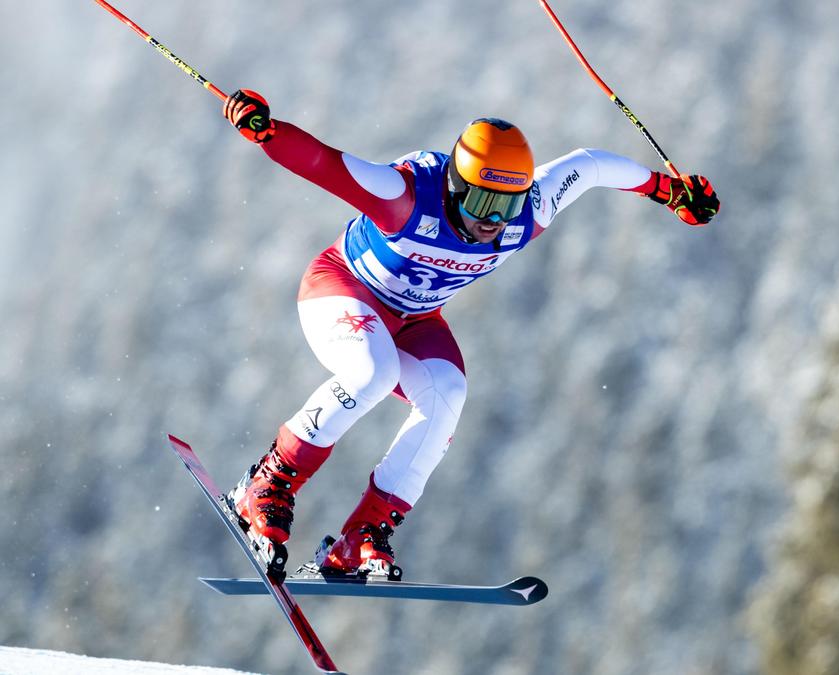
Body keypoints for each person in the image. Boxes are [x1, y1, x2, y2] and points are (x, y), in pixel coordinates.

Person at [220, 89, 720, 580]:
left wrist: (669, 190)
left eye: (507, 204)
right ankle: (268, 482)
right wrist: (267, 132)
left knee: (447, 394)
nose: (493, 221)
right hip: (342, 291)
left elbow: (588, 167)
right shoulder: (406, 196)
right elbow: (323, 164)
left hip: (413, 318)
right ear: (457, 187)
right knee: (373, 372)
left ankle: (361, 537)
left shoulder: (530, 211)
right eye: (482, 202)